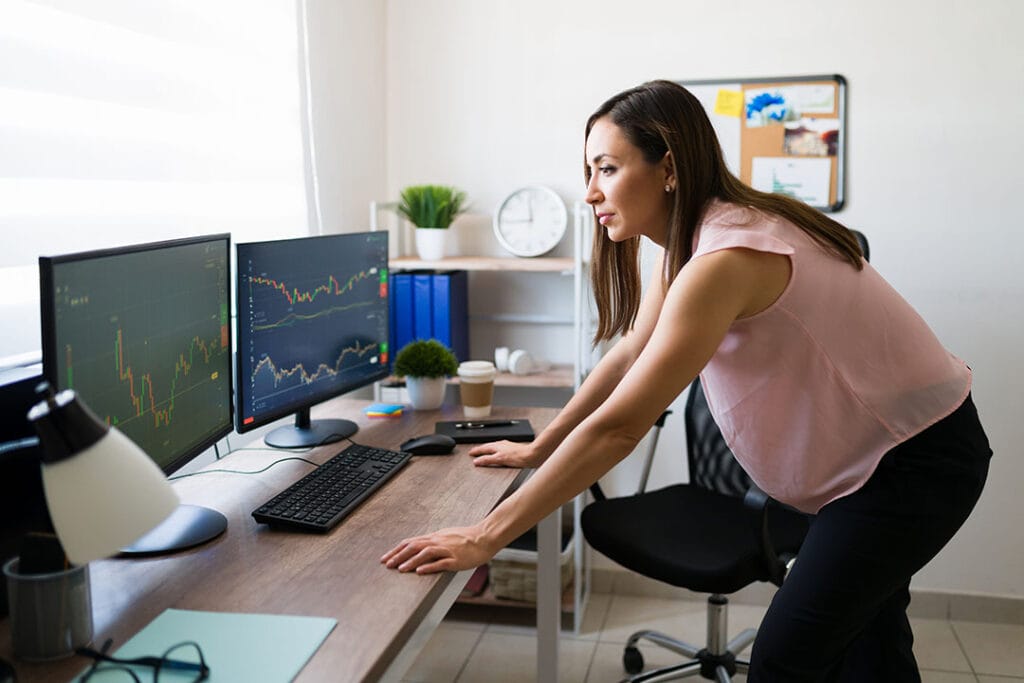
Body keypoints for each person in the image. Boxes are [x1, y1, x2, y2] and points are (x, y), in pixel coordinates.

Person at [381, 80, 992, 681]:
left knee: (787, 660)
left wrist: (487, 535)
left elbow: (621, 428)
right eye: (588, 171)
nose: (590, 192)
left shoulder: (726, 257)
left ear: (667, 167)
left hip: (914, 464)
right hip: (873, 465)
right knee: (869, 646)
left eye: (607, 168)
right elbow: (628, 354)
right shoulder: (689, 245)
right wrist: (543, 445)